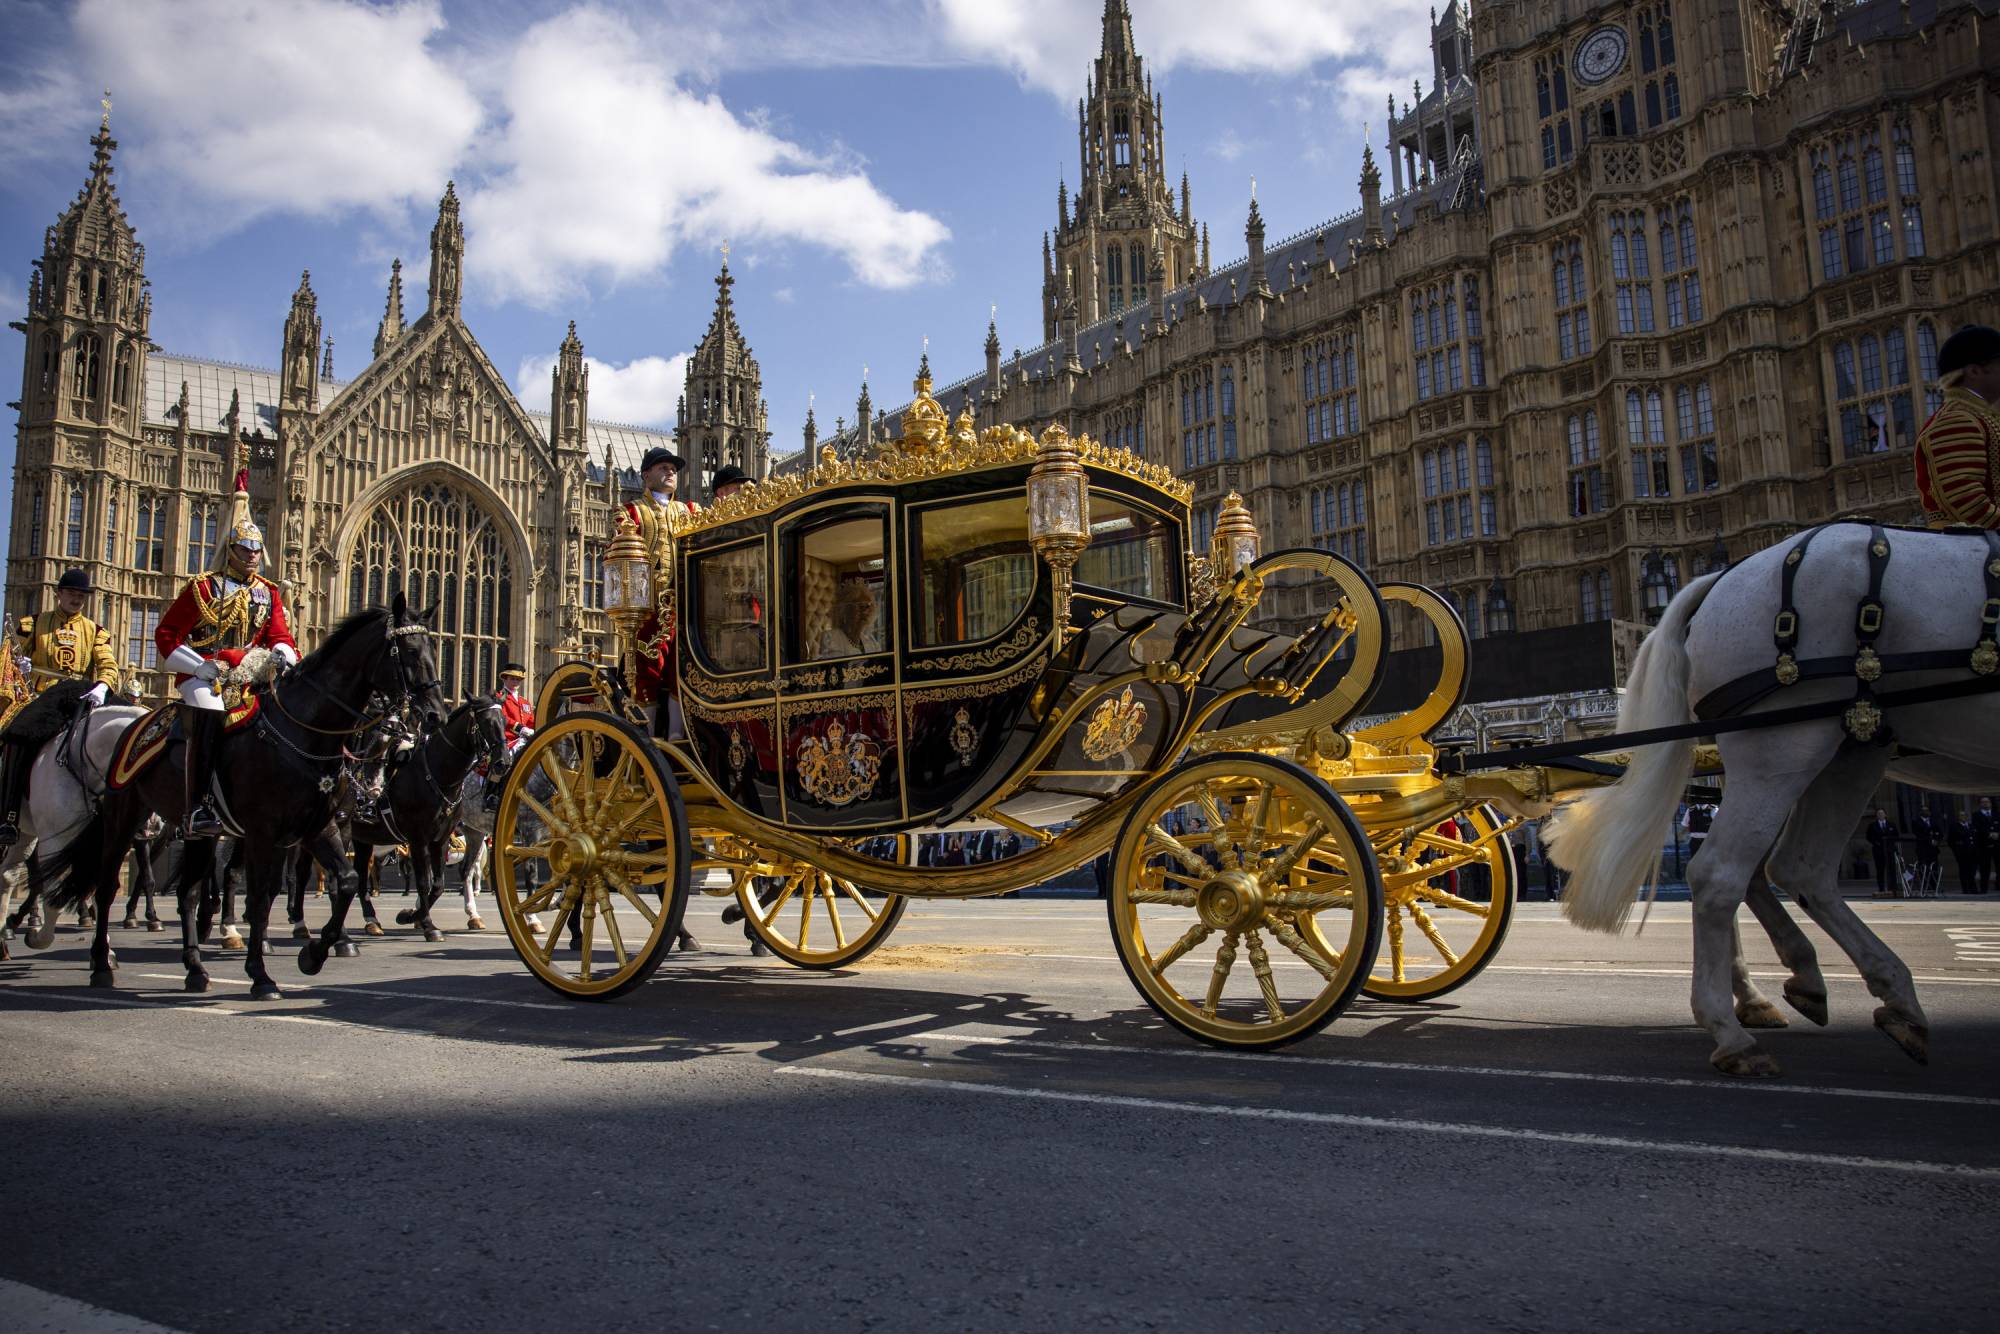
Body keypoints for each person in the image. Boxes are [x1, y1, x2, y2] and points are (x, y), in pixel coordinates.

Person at [156, 462, 299, 837]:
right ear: (230, 550)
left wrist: (284, 655)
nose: (252, 555)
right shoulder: (203, 588)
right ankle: (199, 806)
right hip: (206, 676)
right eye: (244, 549)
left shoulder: (267, 592)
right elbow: (167, 635)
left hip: (250, 674)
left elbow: (281, 635)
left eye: (256, 549)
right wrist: (199, 666)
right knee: (210, 711)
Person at [0, 568, 122, 846]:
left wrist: (103, 684)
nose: (76, 599)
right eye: (71, 593)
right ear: (58, 594)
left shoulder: (96, 632)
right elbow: (7, 657)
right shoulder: (32, 624)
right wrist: (22, 668)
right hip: (41, 697)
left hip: (79, 697)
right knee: (17, 736)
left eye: (81, 595)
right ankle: (8, 816)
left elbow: (107, 664)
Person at [619, 447, 699, 728]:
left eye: (673, 469)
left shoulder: (688, 511)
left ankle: (678, 735)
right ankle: (648, 737)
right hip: (648, 608)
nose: (670, 472)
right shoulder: (633, 511)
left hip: (685, 606)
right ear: (646, 475)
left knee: (684, 668)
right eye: (663, 467)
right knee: (648, 670)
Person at [1914, 324, 2000, 529]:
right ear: (1974, 371)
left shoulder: (1983, 417)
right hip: (1969, 547)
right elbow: (1965, 502)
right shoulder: (1957, 419)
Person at [1864, 807, 1901, 898]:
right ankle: (1881, 888)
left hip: (1890, 850)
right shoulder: (1872, 825)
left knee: (1892, 869)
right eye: (1879, 814)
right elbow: (1868, 837)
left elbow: (1896, 835)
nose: (1880, 815)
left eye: (1882, 813)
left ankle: (1893, 888)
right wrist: (1876, 843)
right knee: (1880, 870)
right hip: (1878, 850)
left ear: (1885, 815)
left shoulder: (1891, 825)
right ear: (1877, 816)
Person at [1947, 807, 1981, 894]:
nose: (1963, 817)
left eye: (1965, 815)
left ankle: (1972, 887)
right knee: (1964, 871)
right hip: (1962, 853)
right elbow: (1950, 841)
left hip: (1973, 853)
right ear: (1958, 817)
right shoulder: (1954, 827)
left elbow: (1976, 838)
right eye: (1961, 815)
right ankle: (1966, 889)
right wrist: (1957, 850)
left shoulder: (1971, 826)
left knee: (1972, 871)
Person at [1909, 809, 1941, 896]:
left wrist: (1936, 839)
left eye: (1928, 810)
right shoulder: (1916, 822)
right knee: (1924, 868)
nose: (1927, 812)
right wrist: (1931, 832)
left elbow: (1939, 832)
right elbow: (1919, 832)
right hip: (1922, 849)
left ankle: (1935, 887)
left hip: (1933, 849)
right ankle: (1925, 886)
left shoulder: (1933, 821)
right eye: (1925, 811)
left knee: (1934, 868)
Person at [1975, 796, 2000, 895]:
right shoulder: (1976, 815)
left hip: (1997, 844)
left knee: (1999, 866)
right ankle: (1983, 888)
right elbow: (1977, 829)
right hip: (1984, 846)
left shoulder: (1997, 814)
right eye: (1983, 802)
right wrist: (1989, 834)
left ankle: (1998, 886)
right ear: (1980, 804)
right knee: (1984, 868)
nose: (1985, 803)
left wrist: (1998, 834)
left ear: (1990, 803)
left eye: (1987, 802)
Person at [1682, 800, 1715, 866]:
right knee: (1695, 864)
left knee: (1708, 864)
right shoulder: (1690, 810)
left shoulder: (1713, 809)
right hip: (1694, 842)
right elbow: (1685, 824)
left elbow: (1718, 825)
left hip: (1707, 842)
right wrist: (1694, 833)